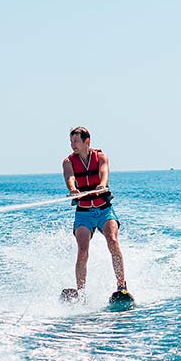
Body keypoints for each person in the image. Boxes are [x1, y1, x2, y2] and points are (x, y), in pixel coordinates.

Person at [62, 126, 133, 306]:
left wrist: (102, 184)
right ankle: (81, 293)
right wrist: (73, 189)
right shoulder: (68, 162)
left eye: (76, 141)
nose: (72, 145)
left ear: (86, 141)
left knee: (112, 240)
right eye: (71, 141)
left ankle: (121, 286)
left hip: (104, 210)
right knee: (83, 251)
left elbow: (104, 172)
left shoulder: (101, 157)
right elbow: (70, 178)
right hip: (84, 213)